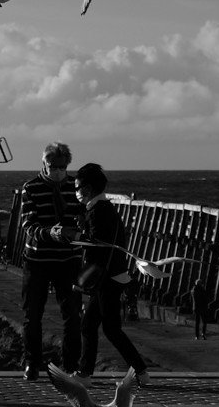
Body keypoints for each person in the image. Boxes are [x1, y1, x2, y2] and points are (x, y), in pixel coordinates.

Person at [72, 163, 149, 386]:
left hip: (106, 279)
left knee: (110, 329)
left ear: (88, 188)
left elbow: (97, 247)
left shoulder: (97, 211)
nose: (76, 192)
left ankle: (141, 371)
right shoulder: (104, 208)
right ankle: (85, 373)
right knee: (92, 326)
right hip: (112, 277)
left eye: (78, 188)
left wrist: (76, 237)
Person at [18, 140, 83, 380]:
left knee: (73, 315)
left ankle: (71, 365)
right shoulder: (31, 188)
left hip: (69, 261)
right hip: (37, 261)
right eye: (52, 166)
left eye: (61, 166)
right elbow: (28, 224)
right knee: (32, 315)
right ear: (44, 164)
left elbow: (83, 216)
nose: (57, 170)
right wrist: (50, 233)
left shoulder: (76, 187)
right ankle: (32, 363)